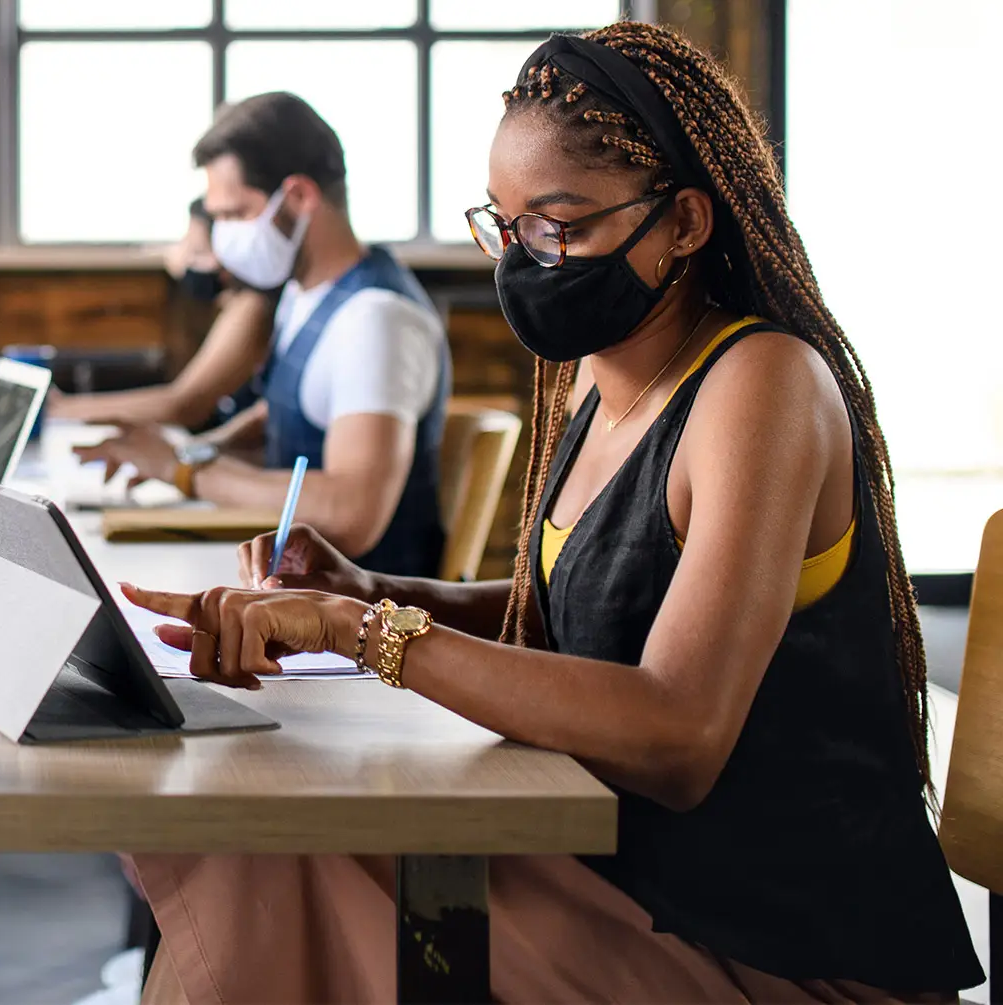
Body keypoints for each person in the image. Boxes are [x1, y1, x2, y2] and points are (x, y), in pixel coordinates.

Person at [120, 23, 981, 1002]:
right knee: (264, 839)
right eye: (506, 223)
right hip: (631, 871)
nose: (526, 258)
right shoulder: (594, 380)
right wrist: (374, 588)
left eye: (559, 227)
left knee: (286, 863)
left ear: (687, 222)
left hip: (776, 942)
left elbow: (677, 736)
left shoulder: (762, 385)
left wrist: (364, 632)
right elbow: (587, 603)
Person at [76, 93, 451, 576]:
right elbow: (282, 424)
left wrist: (185, 470)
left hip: (353, 624)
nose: (224, 236)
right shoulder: (304, 294)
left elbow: (353, 512)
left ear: (298, 198)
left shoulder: (375, 319)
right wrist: (186, 452)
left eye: (234, 215)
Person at [52, 198, 275, 431]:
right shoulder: (222, 307)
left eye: (198, 252)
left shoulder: (251, 307)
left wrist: (62, 408)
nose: (187, 261)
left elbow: (182, 405)